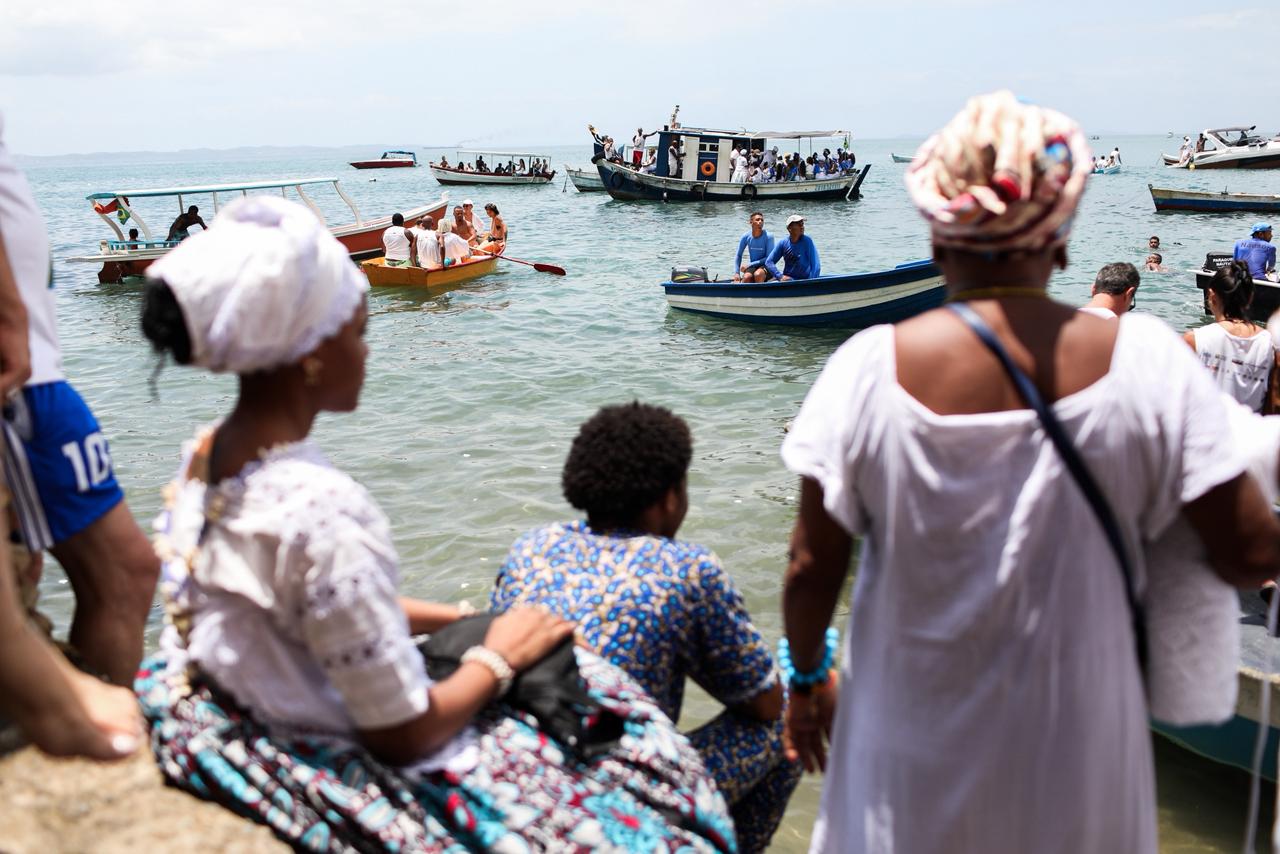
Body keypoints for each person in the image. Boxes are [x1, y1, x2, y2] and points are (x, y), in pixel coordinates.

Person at [135, 197, 735, 851]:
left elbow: (307, 605)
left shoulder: (211, 454)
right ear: (311, 354)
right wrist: (497, 656)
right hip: (346, 737)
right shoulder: (320, 508)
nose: (368, 351)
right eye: (359, 332)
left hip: (240, 703)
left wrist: (458, 621)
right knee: (655, 789)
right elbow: (405, 733)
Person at [779, 90, 1280, 854]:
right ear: (1063, 242)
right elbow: (1248, 549)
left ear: (938, 235)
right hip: (1078, 778)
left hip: (904, 777)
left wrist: (809, 682)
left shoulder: (866, 369)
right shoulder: (1145, 359)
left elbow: (812, 568)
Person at [491, 402, 799, 853]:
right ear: (670, 497)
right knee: (790, 716)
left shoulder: (531, 549)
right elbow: (763, 704)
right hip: (609, 798)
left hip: (515, 784)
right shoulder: (685, 568)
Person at [0, 111, 158, 687]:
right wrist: (11, 315)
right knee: (123, 572)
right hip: (27, 375)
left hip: (34, 365)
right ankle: (91, 728)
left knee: (35, 570)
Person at [1183, 260, 1280, 414]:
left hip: (1206, 434)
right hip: (1251, 433)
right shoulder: (1271, 345)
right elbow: (1274, 405)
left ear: (1211, 296)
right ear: (1250, 298)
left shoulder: (1194, 340)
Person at [764, 215, 820, 282]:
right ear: (789, 228)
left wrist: (812, 281)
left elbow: (816, 265)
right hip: (788, 280)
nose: (802, 227)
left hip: (805, 280)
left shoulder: (807, 241)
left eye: (802, 224)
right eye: (799, 224)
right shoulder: (783, 243)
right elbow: (769, 262)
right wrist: (779, 276)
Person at [733, 212, 775, 283]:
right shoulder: (746, 236)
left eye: (762, 220)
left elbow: (768, 259)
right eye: (757, 220)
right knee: (746, 278)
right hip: (754, 267)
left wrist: (749, 265)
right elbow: (738, 255)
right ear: (751, 222)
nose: (760, 222)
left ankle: (761, 292)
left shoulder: (769, 236)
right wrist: (737, 273)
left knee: (758, 274)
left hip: (767, 266)